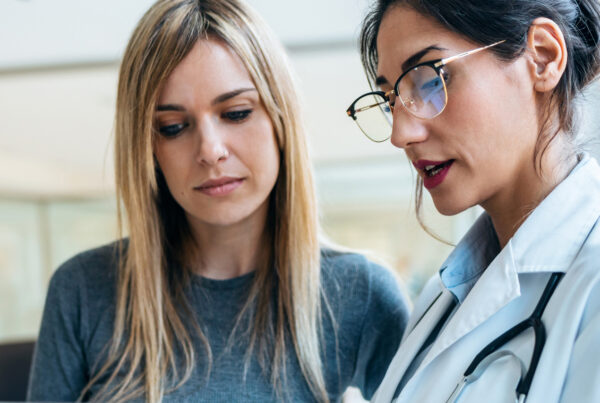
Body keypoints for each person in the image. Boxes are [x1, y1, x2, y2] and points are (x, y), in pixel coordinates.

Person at [27, 0, 410, 402]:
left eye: (237, 113)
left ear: (281, 120)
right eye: (173, 127)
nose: (210, 150)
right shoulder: (83, 291)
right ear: (147, 146)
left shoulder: (360, 293)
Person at [346, 0, 600, 402]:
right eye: (391, 98)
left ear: (543, 56)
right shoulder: (440, 298)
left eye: (430, 80)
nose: (400, 134)